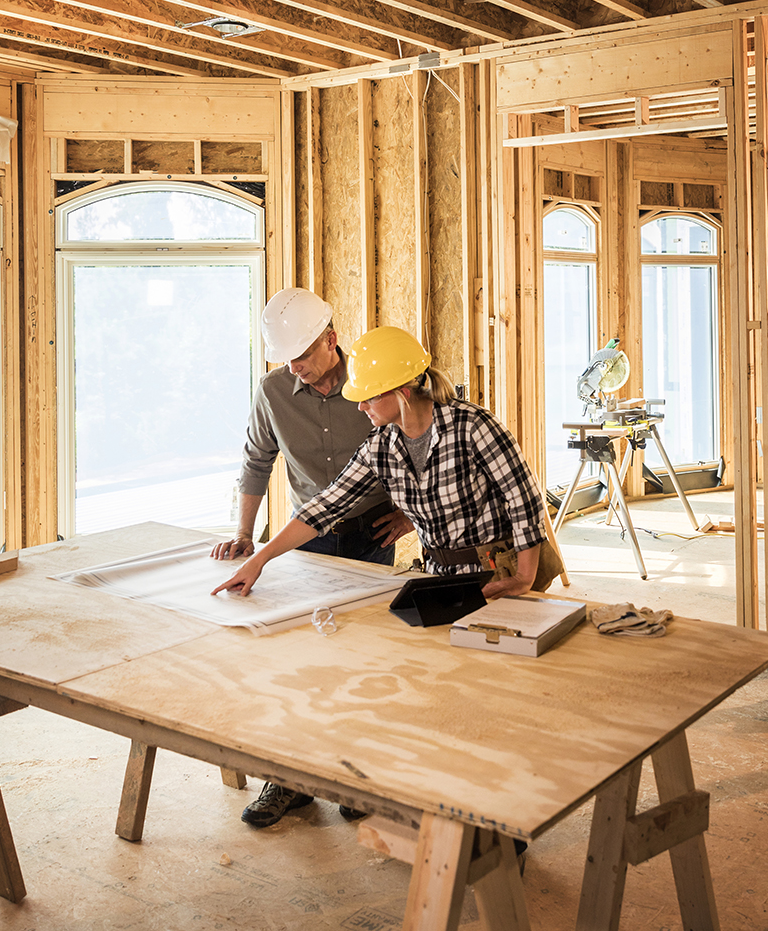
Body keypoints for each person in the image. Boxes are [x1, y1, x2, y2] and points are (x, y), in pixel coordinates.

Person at [212, 289, 412, 828]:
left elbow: (419, 450)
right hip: (306, 536)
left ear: (331, 338)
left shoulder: (371, 383)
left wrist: (408, 517)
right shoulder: (273, 391)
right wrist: (244, 535)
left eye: (303, 354)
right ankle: (291, 779)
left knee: (365, 657)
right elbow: (256, 461)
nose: (296, 367)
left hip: (372, 532)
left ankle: (354, 775)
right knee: (297, 658)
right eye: (288, 359)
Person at [212, 324, 551, 604]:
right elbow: (324, 507)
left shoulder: (472, 426)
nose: (360, 408)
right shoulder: (381, 447)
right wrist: (259, 560)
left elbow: (524, 500)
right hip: (438, 575)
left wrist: (524, 576)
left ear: (402, 392)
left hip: (497, 571)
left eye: (369, 397)